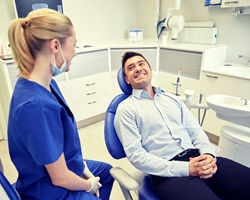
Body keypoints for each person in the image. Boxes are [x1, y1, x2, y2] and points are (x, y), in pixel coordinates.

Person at [7, 8, 114, 200]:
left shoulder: (45, 84)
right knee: (95, 185)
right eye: (74, 45)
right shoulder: (35, 106)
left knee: (105, 172)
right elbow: (61, 178)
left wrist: (83, 168)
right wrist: (88, 185)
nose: (75, 52)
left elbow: (63, 145)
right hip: (49, 190)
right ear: (55, 46)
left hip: (63, 166)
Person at [114, 51, 250, 200]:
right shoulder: (126, 109)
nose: (138, 68)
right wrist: (186, 169)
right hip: (168, 174)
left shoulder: (172, 99)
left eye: (141, 64)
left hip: (199, 157)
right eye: (131, 68)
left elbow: (195, 130)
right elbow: (136, 155)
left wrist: (208, 155)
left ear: (150, 69)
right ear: (127, 79)